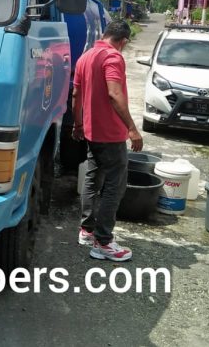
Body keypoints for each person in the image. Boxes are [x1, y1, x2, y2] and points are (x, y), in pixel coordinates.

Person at [72, 19, 143, 262]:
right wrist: (132, 128)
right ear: (123, 41)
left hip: (92, 131)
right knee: (115, 184)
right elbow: (114, 93)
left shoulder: (85, 57)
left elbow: (76, 95)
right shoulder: (113, 57)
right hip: (111, 134)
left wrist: (78, 124)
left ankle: (86, 230)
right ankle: (103, 241)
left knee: (93, 179)